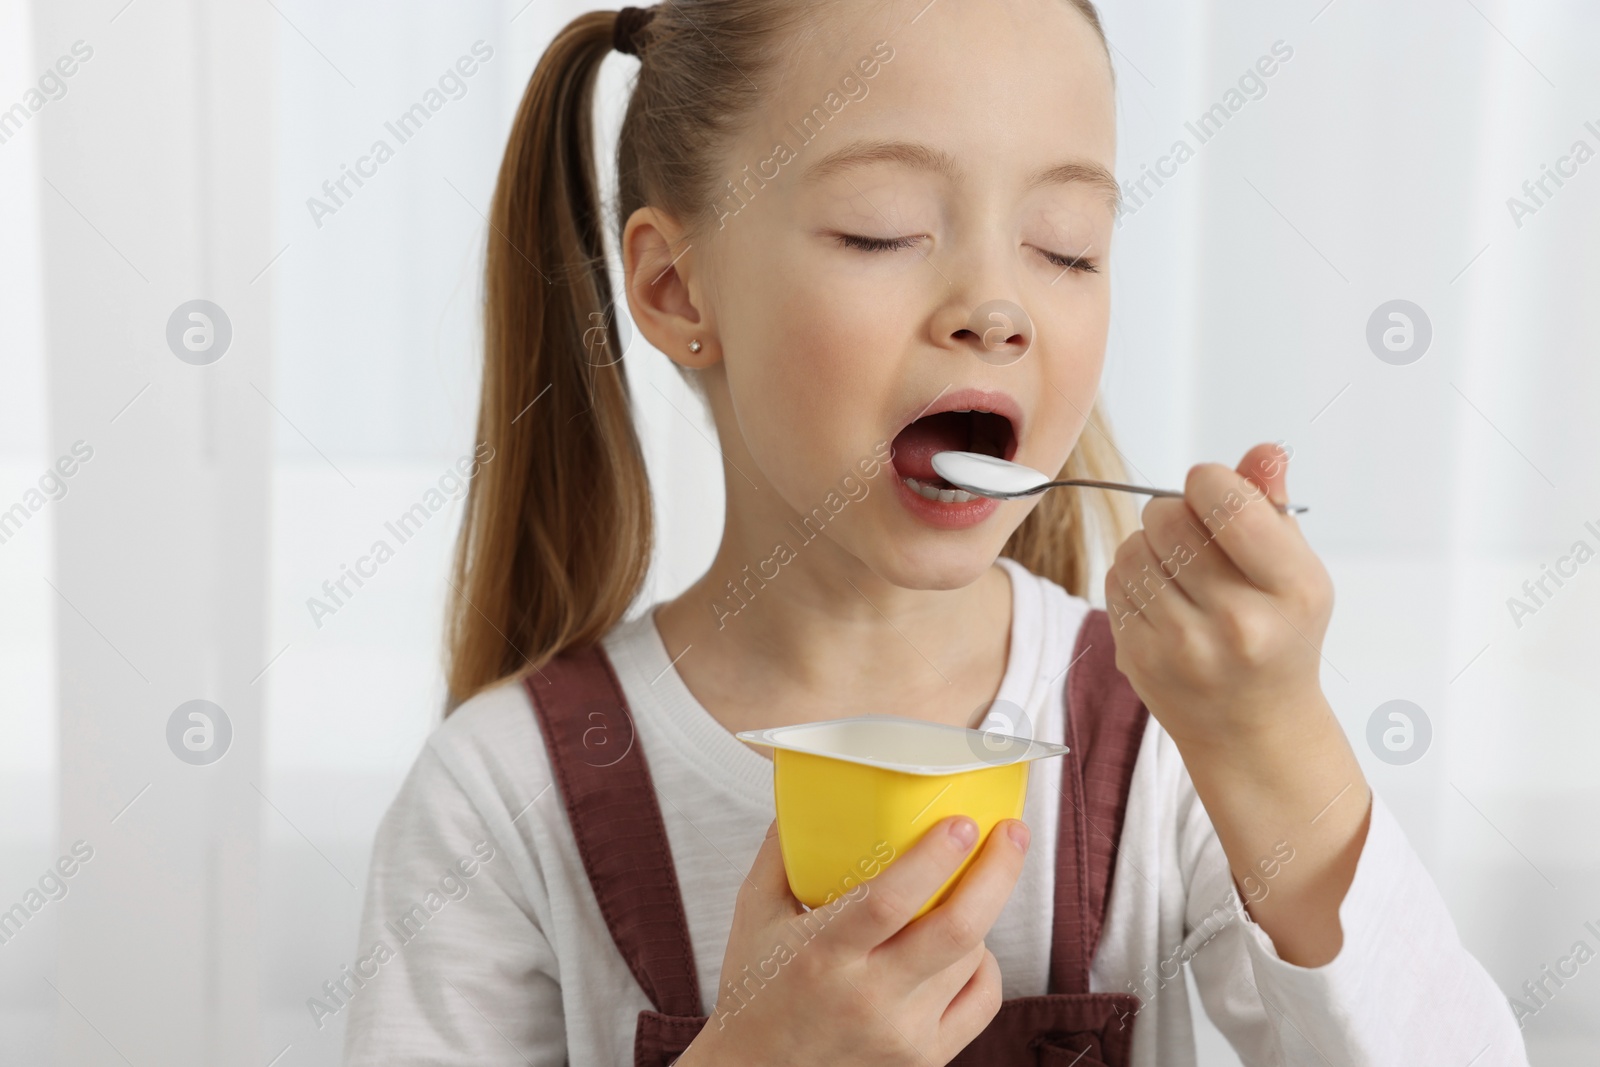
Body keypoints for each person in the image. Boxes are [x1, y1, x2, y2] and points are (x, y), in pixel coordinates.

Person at [341, 2, 1527, 1064]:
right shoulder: (503, 799)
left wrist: (1278, 750)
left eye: (1065, 245)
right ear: (675, 290)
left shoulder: (1164, 735)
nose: (998, 307)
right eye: (882, 229)